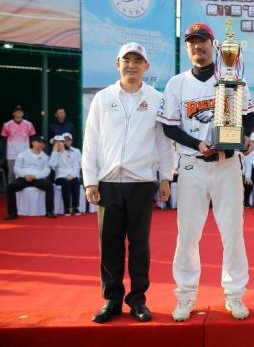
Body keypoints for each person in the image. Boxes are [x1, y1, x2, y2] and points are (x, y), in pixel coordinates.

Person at [158, 22, 254, 322]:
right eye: (191, 42)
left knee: (233, 232)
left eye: (202, 41)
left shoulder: (232, 78)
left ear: (213, 45)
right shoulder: (177, 84)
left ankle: (234, 294)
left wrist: (243, 139)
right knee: (188, 234)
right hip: (192, 164)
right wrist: (197, 144)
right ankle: (185, 295)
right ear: (187, 47)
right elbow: (169, 127)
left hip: (227, 164)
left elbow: (248, 118)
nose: (197, 47)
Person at [82, 42, 173, 324]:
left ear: (146, 66)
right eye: (127, 60)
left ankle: (137, 300)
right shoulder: (103, 98)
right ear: (117, 64)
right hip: (108, 183)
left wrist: (166, 177)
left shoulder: (157, 99)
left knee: (139, 244)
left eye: (137, 60)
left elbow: (163, 142)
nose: (132, 65)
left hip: (142, 183)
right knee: (109, 244)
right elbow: (91, 140)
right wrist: (90, 180)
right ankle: (111, 300)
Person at [4, 135, 55, 219]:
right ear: (33, 143)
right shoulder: (22, 155)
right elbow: (16, 168)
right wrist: (25, 175)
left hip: (37, 178)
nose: (41, 144)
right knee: (10, 187)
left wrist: (36, 176)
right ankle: (12, 213)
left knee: (49, 186)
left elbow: (46, 171)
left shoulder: (45, 157)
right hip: (24, 178)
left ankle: (49, 211)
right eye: (39, 142)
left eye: (43, 143)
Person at [1, 105, 36, 182]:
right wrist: (4, 153)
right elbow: (4, 140)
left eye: (20, 111)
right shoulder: (7, 124)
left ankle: (23, 189)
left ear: (23, 113)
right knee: (11, 174)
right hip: (11, 153)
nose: (18, 113)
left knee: (25, 173)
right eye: (16, 111)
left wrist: (32, 152)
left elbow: (32, 139)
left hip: (25, 153)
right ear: (13, 113)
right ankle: (11, 189)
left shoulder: (29, 124)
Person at [49, 135, 82, 216]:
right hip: (59, 177)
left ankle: (75, 207)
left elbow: (76, 166)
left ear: (63, 143)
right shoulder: (54, 154)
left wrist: (72, 175)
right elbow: (52, 165)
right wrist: (54, 152)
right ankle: (67, 208)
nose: (57, 144)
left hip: (71, 176)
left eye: (59, 142)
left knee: (76, 182)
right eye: (55, 142)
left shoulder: (72, 153)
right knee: (65, 182)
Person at [242, 132, 254, 208]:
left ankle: (246, 201)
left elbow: (248, 164)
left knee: (248, 182)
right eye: (252, 141)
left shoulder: (248, 150)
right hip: (235, 172)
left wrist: (247, 177)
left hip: (248, 172)